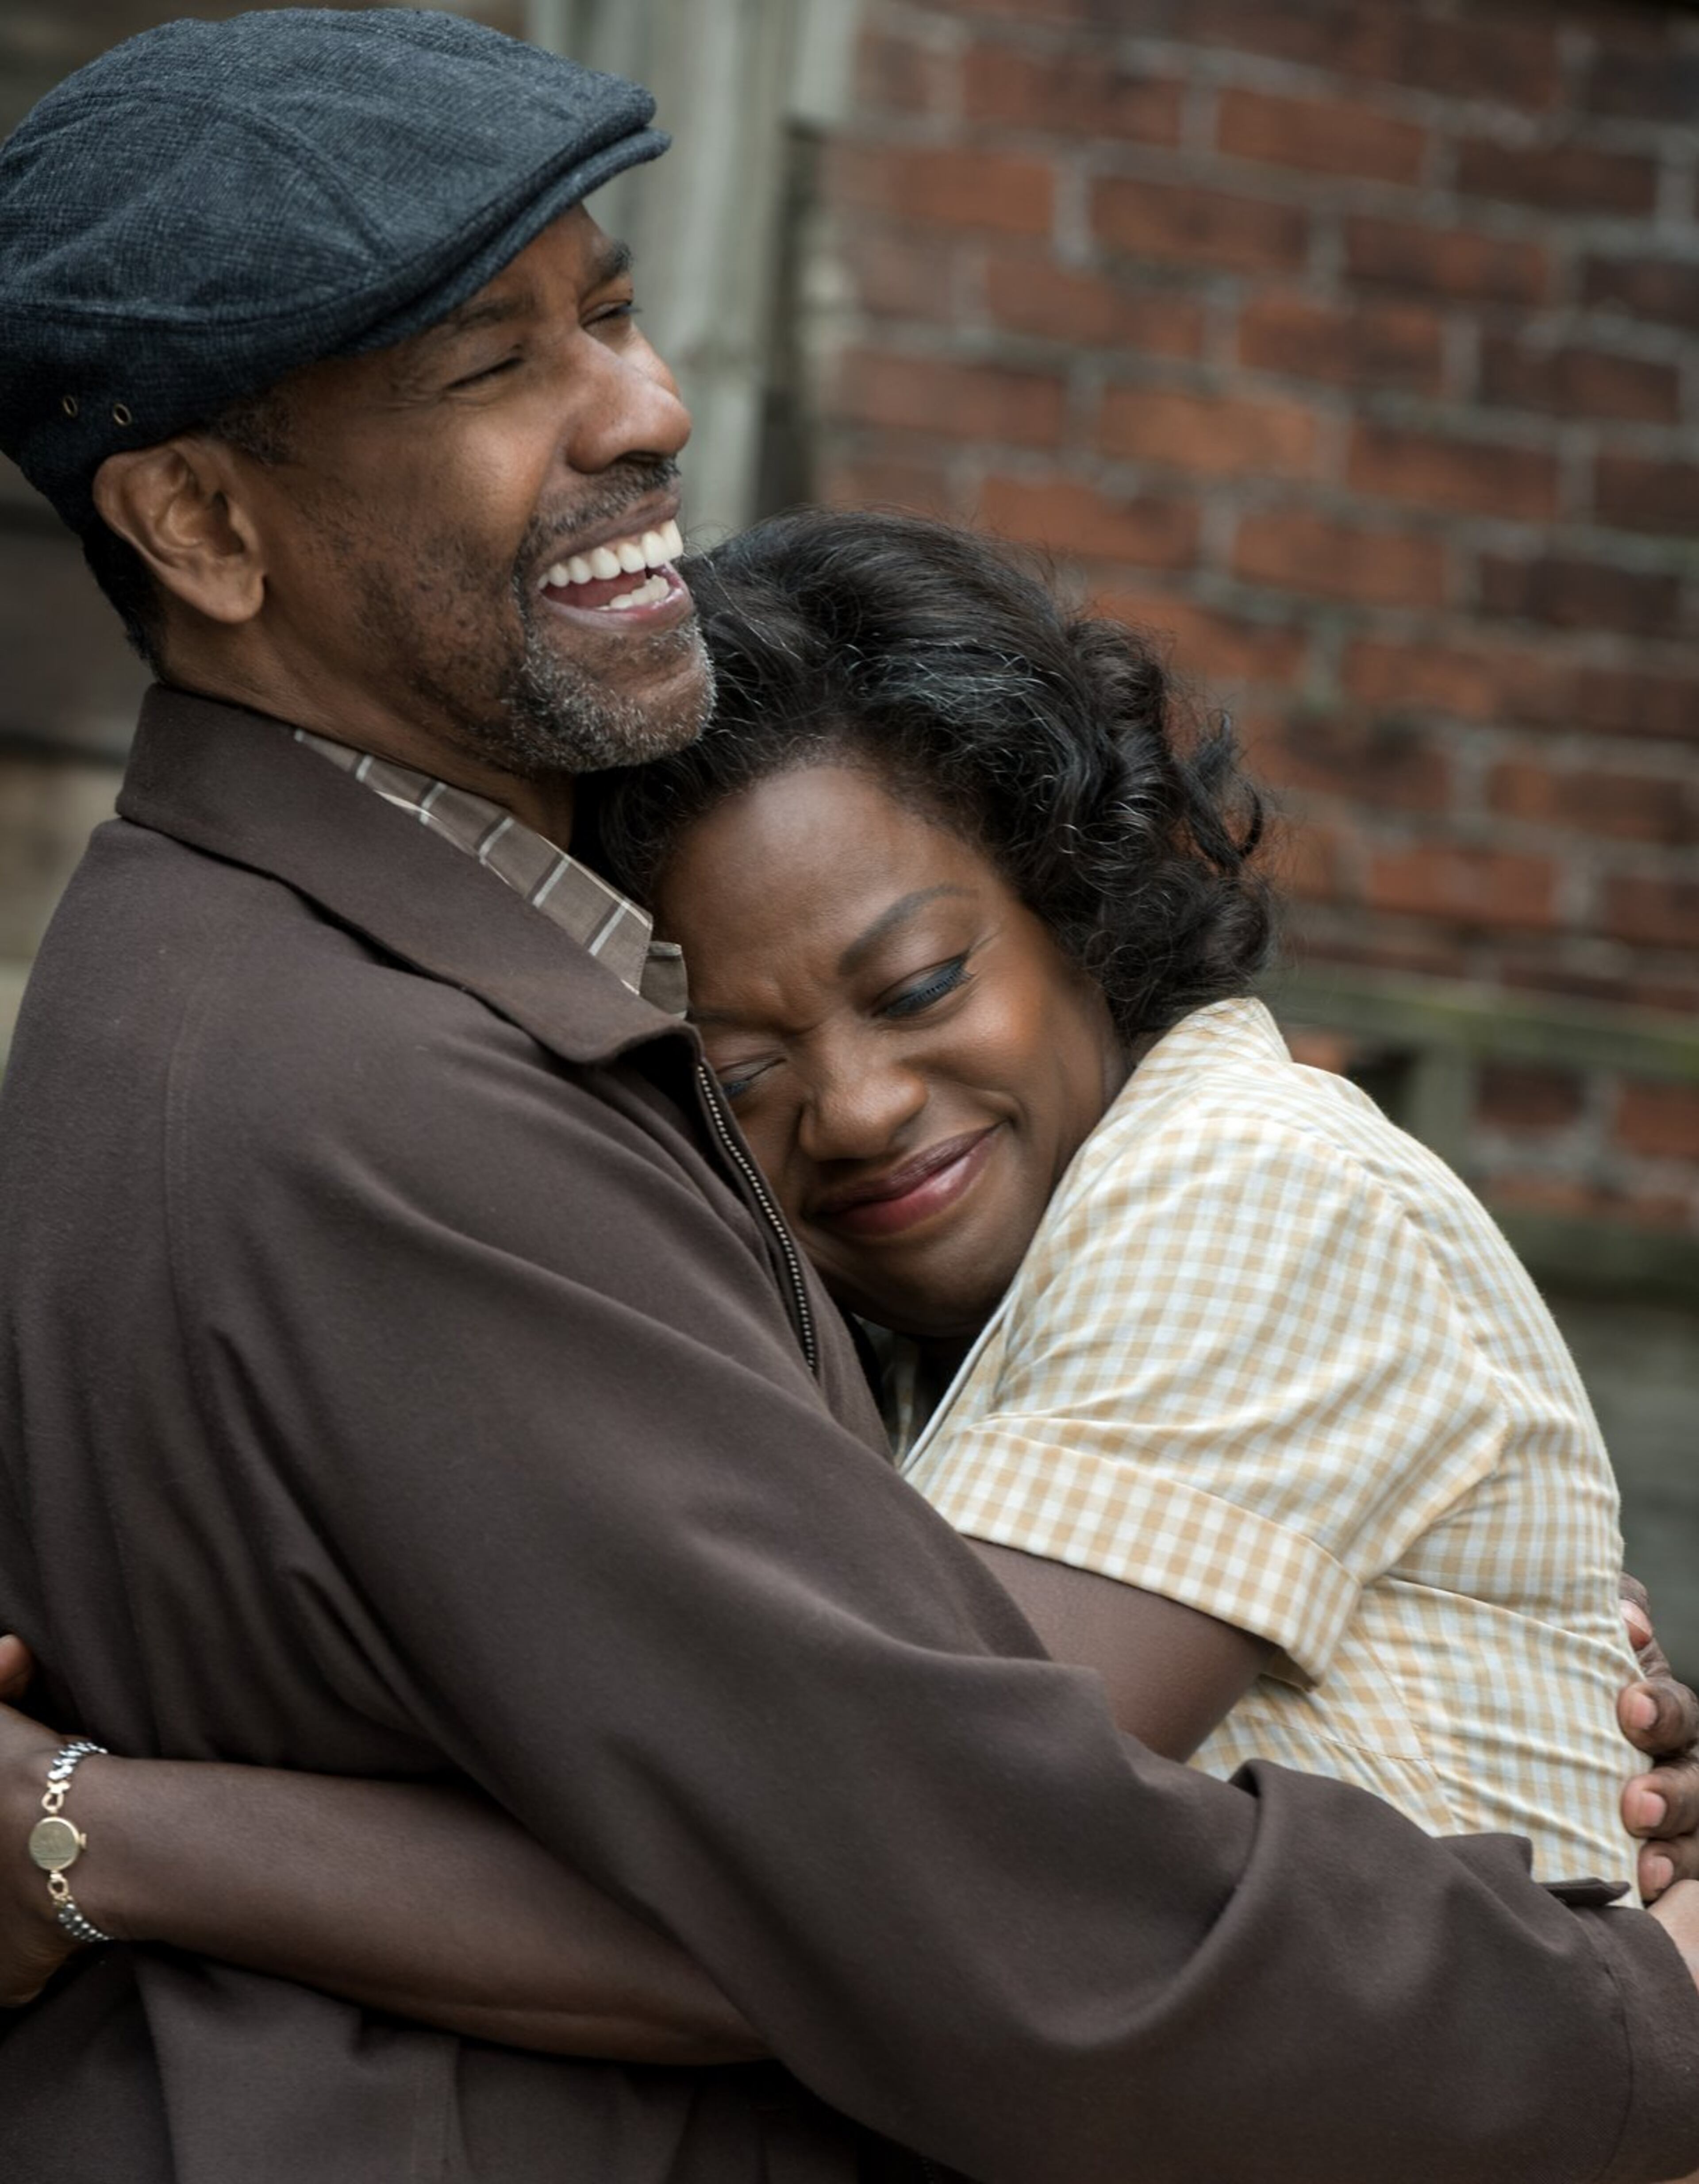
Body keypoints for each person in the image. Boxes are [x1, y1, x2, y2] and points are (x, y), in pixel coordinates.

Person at [3, 13, 1699, 2184]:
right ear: (205, 525)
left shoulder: (283, 991)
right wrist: (1645, 2007)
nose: (646, 407)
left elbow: (898, 1869)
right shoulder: (373, 1088)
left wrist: (90, 1837)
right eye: (494, 367)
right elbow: (960, 1904)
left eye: (609, 311)